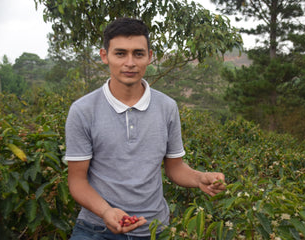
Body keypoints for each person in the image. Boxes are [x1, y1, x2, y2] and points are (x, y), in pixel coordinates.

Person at [65, 17, 226, 240]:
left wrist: (200, 178)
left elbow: (174, 168)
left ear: (150, 56)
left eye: (138, 54)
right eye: (120, 53)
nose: (130, 62)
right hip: (96, 229)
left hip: (154, 230)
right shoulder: (83, 110)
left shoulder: (167, 107)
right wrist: (106, 211)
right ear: (105, 56)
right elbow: (77, 181)